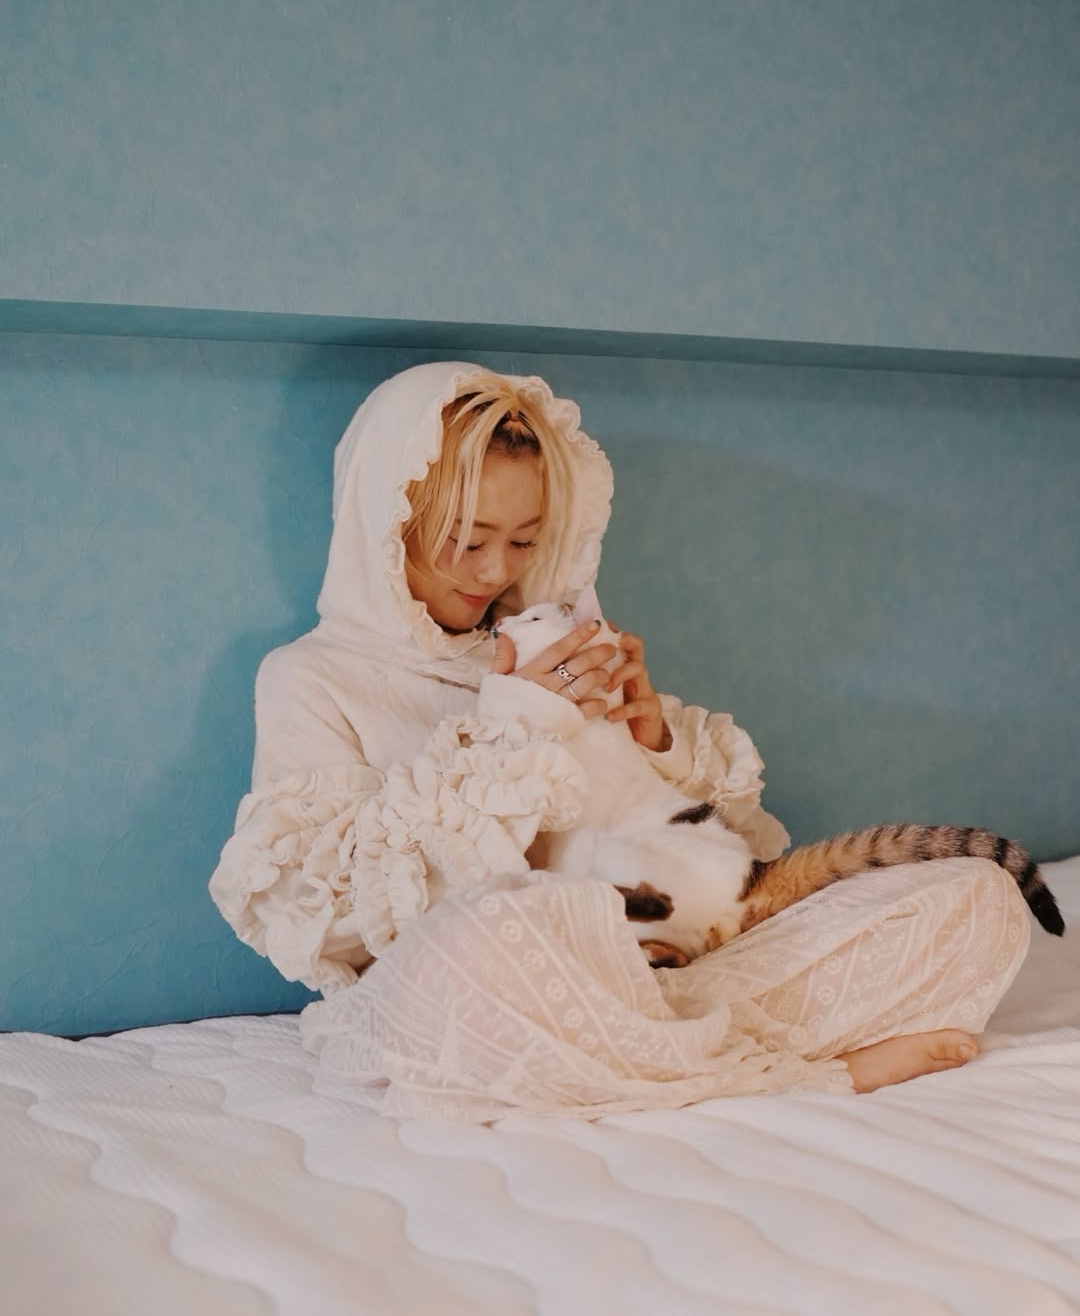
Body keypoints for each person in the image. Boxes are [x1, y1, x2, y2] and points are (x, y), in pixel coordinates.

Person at [210, 361, 1030, 1120]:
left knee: (976, 896)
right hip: (490, 984)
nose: (496, 571)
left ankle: (654, 1047)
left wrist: (653, 739)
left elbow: (712, 869)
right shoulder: (310, 678)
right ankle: (811, 1071)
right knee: (481, 947)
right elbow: (331, 921)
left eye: (523, 539)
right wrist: (518, 728)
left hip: (658, 967)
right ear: (386, 524)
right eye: (468, 538)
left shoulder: (546, 641)